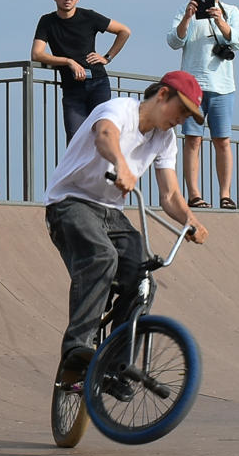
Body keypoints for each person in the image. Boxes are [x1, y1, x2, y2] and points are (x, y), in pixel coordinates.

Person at [44, 71, 209, 372]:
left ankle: (117, 368)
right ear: (162, 95)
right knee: (101, 258)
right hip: (70, 202)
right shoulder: (120, 109)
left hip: (111, 213)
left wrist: (190, 221)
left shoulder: (165, 138)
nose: (181, 120)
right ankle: (76, 348)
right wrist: (121, 164)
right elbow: (105, 135)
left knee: (144, 280)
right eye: (180, 110)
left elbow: (170, 193)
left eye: (188, 116)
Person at [166, 0, 239, 210]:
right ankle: (194, 194)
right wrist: (189, 17)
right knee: (193, 140)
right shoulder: (184, 10)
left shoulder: (231, 12)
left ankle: (225, 194)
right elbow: (173, 41)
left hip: (222, 86)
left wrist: (220, 21)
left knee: (222, 140)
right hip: (191, 87)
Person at [32, 0, 132, 144]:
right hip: (72, 89)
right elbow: (37, 54)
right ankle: (81, 171)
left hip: (98, 83)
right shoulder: (47, 22)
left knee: (102, 136)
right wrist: (68, 62)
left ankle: (105, 171)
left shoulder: (89, 16)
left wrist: (107, 57)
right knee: (75, 140)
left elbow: (124, 31)